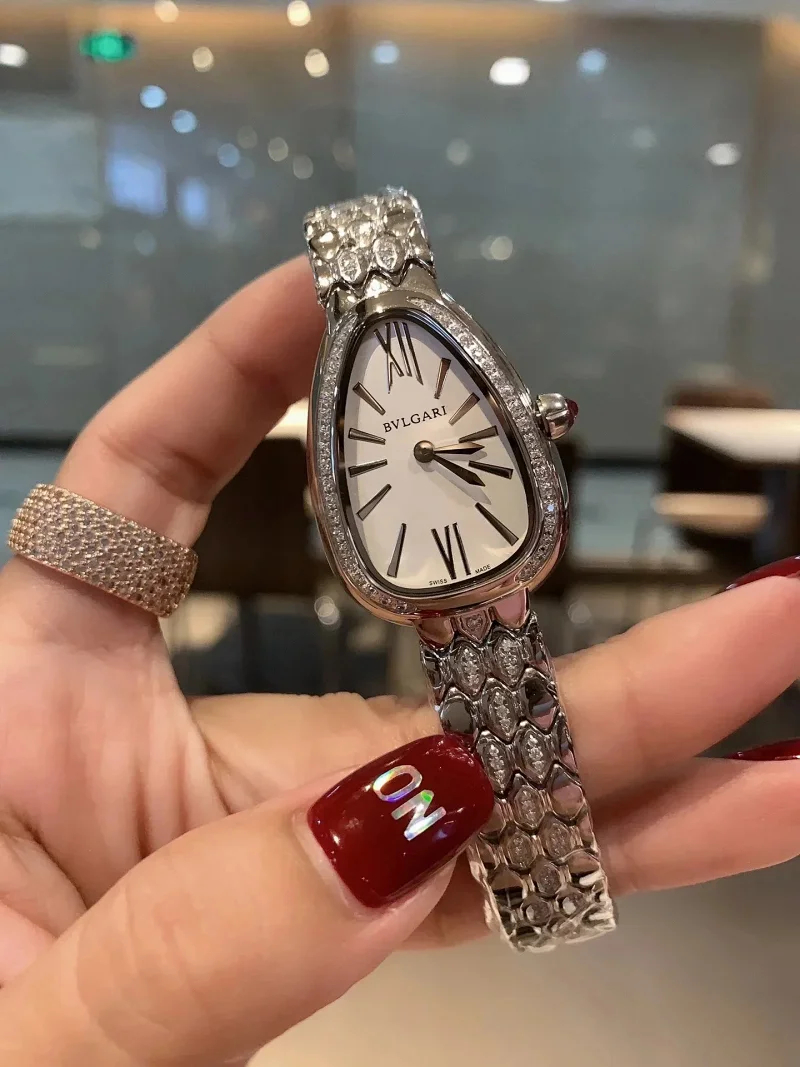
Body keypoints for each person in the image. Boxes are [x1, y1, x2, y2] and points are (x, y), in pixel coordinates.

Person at [0, 257, 797, 1065]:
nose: (422, 448)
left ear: (537, 420)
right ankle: (549, 895)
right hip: (436, 587)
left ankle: (551, 894)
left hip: (479, 572)